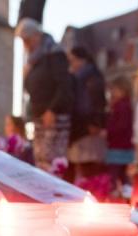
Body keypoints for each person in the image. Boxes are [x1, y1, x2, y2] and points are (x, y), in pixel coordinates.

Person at [15, 18, 74, 170]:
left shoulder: (54, 54)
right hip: (39, 114)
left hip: (53, 116)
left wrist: (52, 109)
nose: (25, 45)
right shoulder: (35, 60)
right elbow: (32, 87)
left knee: (52, 162)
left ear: (36, 36)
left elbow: (64, 85)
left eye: (26, 40)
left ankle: (54, 193)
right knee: (40, 160)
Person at [67, 46, 108, 178]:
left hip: (87, 128)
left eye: (73, 60)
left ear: (82, 60)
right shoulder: (80, 78)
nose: (71, 65)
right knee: (79, 165)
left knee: (87, 167)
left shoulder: (91, 78)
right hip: (80, 127)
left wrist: (95, 123)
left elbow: (97, 102)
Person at [105, 76, 134, 185]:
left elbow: (120, 126)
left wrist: (108, 132)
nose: (112, 92)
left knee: (115, 173)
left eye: (114, 89)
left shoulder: (121, 106)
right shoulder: (125, 105)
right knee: (122, 175)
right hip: (124, 145)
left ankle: (115, 194)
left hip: (118, 145)